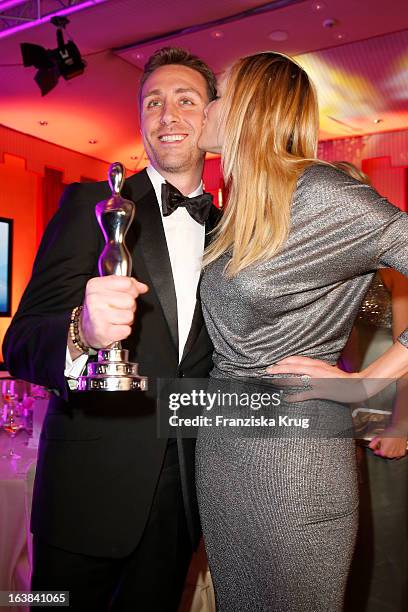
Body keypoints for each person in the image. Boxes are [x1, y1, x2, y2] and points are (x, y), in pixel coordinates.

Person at [3, 47, 219, 611]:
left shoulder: (234, 230)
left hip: (180, 507)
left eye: (186, 100)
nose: (167, 114)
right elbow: (20, 343)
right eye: (153, 101)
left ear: (215, 116)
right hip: (82, 501)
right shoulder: (89, 205)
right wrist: (82, 334)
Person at [195, 52, 408, 612]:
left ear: (249, 105)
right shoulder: (241, 205)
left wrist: (367, 383)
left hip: (294, 451)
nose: (208, 105)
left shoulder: (322, 192)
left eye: (217, 90)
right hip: (224, 445)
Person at [333, 162, 408, 611]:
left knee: (387, 540)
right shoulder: (330, 262)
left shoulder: (392, 258)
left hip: (388, 421)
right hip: (342, 422)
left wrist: (403, 425)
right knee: (352, 541)